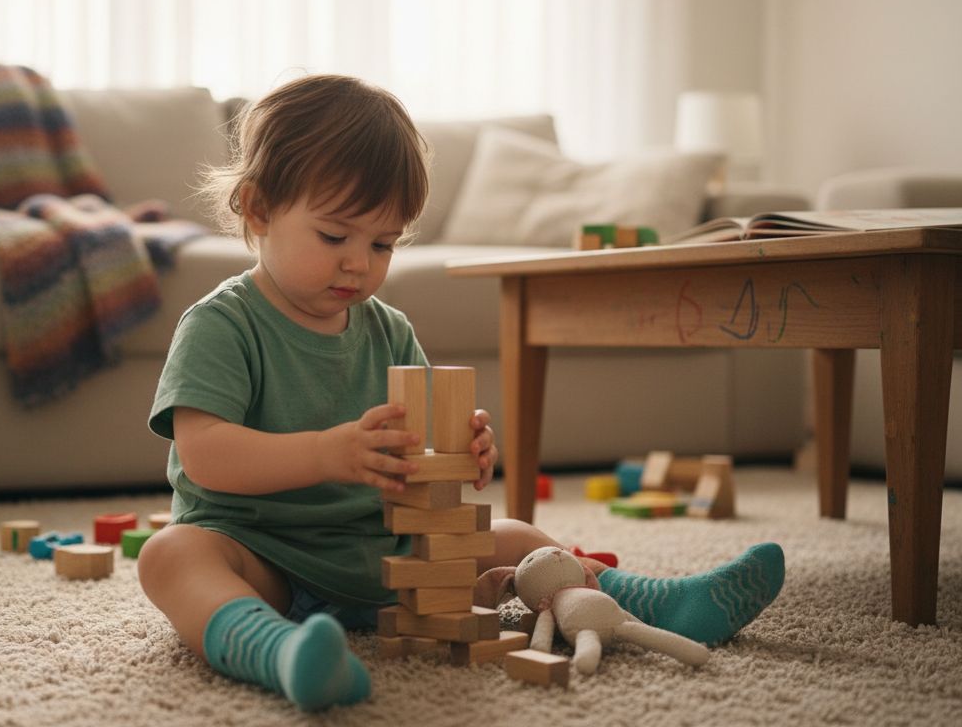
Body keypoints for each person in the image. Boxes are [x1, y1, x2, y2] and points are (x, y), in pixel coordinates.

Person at [137, 74, 784, 711]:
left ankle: (658, 603)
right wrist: (326, 454)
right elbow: (205, 455)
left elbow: (419, 457)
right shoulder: (223, 323)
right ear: (257, 209)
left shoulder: (387, 328)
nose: (359, 262)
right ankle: (279, 653)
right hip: (262, 559)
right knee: (172, 555)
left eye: (383, 242)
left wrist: (459, 449)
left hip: (388, 560)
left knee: (519, 535)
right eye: (335, 236)